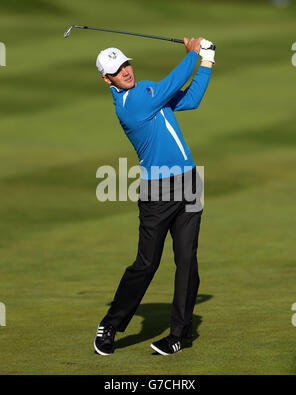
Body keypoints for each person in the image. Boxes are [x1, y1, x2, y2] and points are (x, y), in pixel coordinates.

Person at [94, 37, 215, 355]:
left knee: (187, 261)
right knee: (146, 263)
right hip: (158, 192)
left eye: (125, 64)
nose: (125, 71)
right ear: (106, 79)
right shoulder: (129, 105)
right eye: (116, 70)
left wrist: (206, 62)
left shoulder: (146, 89)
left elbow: (189, 100)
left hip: (189, 182)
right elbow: (172, 82)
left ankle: (179, 333)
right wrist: (191, 54)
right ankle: (111, 323)